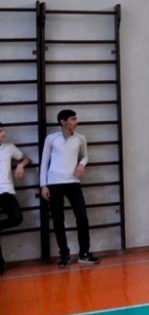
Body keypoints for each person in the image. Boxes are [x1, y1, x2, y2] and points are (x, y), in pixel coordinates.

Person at [39, 109, 100, 268]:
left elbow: (85, 156)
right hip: (54, 183)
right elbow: (44, 162)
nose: (76, 122)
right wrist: (43, 185)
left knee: (82, 217)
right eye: (72, 119)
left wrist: (81, 164)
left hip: (73, 182)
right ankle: (64, 255)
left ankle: (84, 253)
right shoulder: (51, 139)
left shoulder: (80, 138)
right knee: (58, 220)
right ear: (63, 121)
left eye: (75, 119)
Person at [1, 122, 30, 275]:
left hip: (6, 191)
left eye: (3, 130)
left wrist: (20, 165)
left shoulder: (9, 147)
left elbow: (26, 158)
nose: (3, 133)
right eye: (0, 131)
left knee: (17, 218)